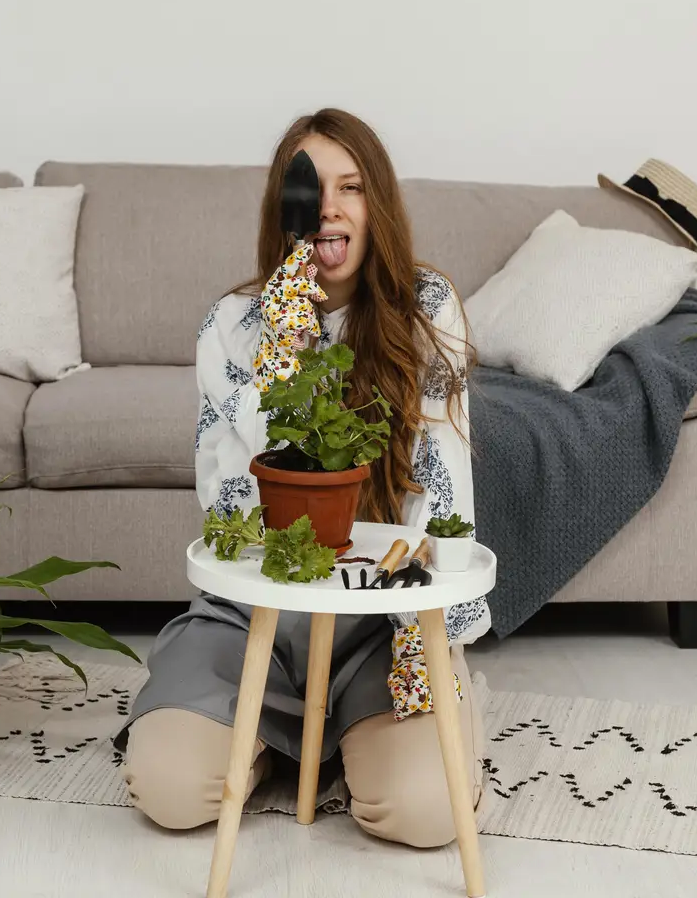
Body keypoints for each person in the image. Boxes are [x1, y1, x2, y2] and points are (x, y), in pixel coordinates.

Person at [120, 108, 490, 848]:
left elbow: (440, 492)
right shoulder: (231, 325)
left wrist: (427, 640)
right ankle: (264, 736)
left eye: (350, 186)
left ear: (375, 204)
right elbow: (237, 495)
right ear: (283, 212)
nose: (328, 206)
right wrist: (286, 326)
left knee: (422, 811)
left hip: (378, 622)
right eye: (309, 189)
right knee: (167, 785)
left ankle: (361, 731)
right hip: (254, 617)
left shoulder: (427, 310)